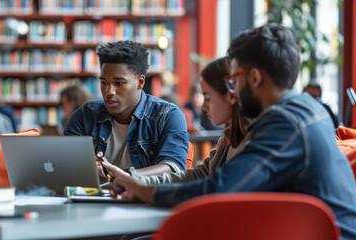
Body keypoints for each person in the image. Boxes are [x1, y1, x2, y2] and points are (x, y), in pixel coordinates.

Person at [106, 24, 356, 239]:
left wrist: (143, 190)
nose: (233, 92)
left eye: (233, 81)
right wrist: (140, 185)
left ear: (255, 78)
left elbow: (220, 190)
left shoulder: (284, 122)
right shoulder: (307, 110)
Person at [103, 57, 249, 183]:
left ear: (231, 96)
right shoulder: (229, 138)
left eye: (208, 98)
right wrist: (134, 181)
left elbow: (212, 186)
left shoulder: (247, 143)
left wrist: (138, 184)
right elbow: (200, 175)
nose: (203, 106)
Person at [64, 40, 189, 176]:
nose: (109, 91)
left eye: (119, 83)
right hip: (91, 196)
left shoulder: (167, 115)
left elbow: (172, 168)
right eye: (104, 82)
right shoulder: (85, 115)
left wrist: (125, 176)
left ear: (140, 82)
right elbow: (64, 164)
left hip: (141, 196)